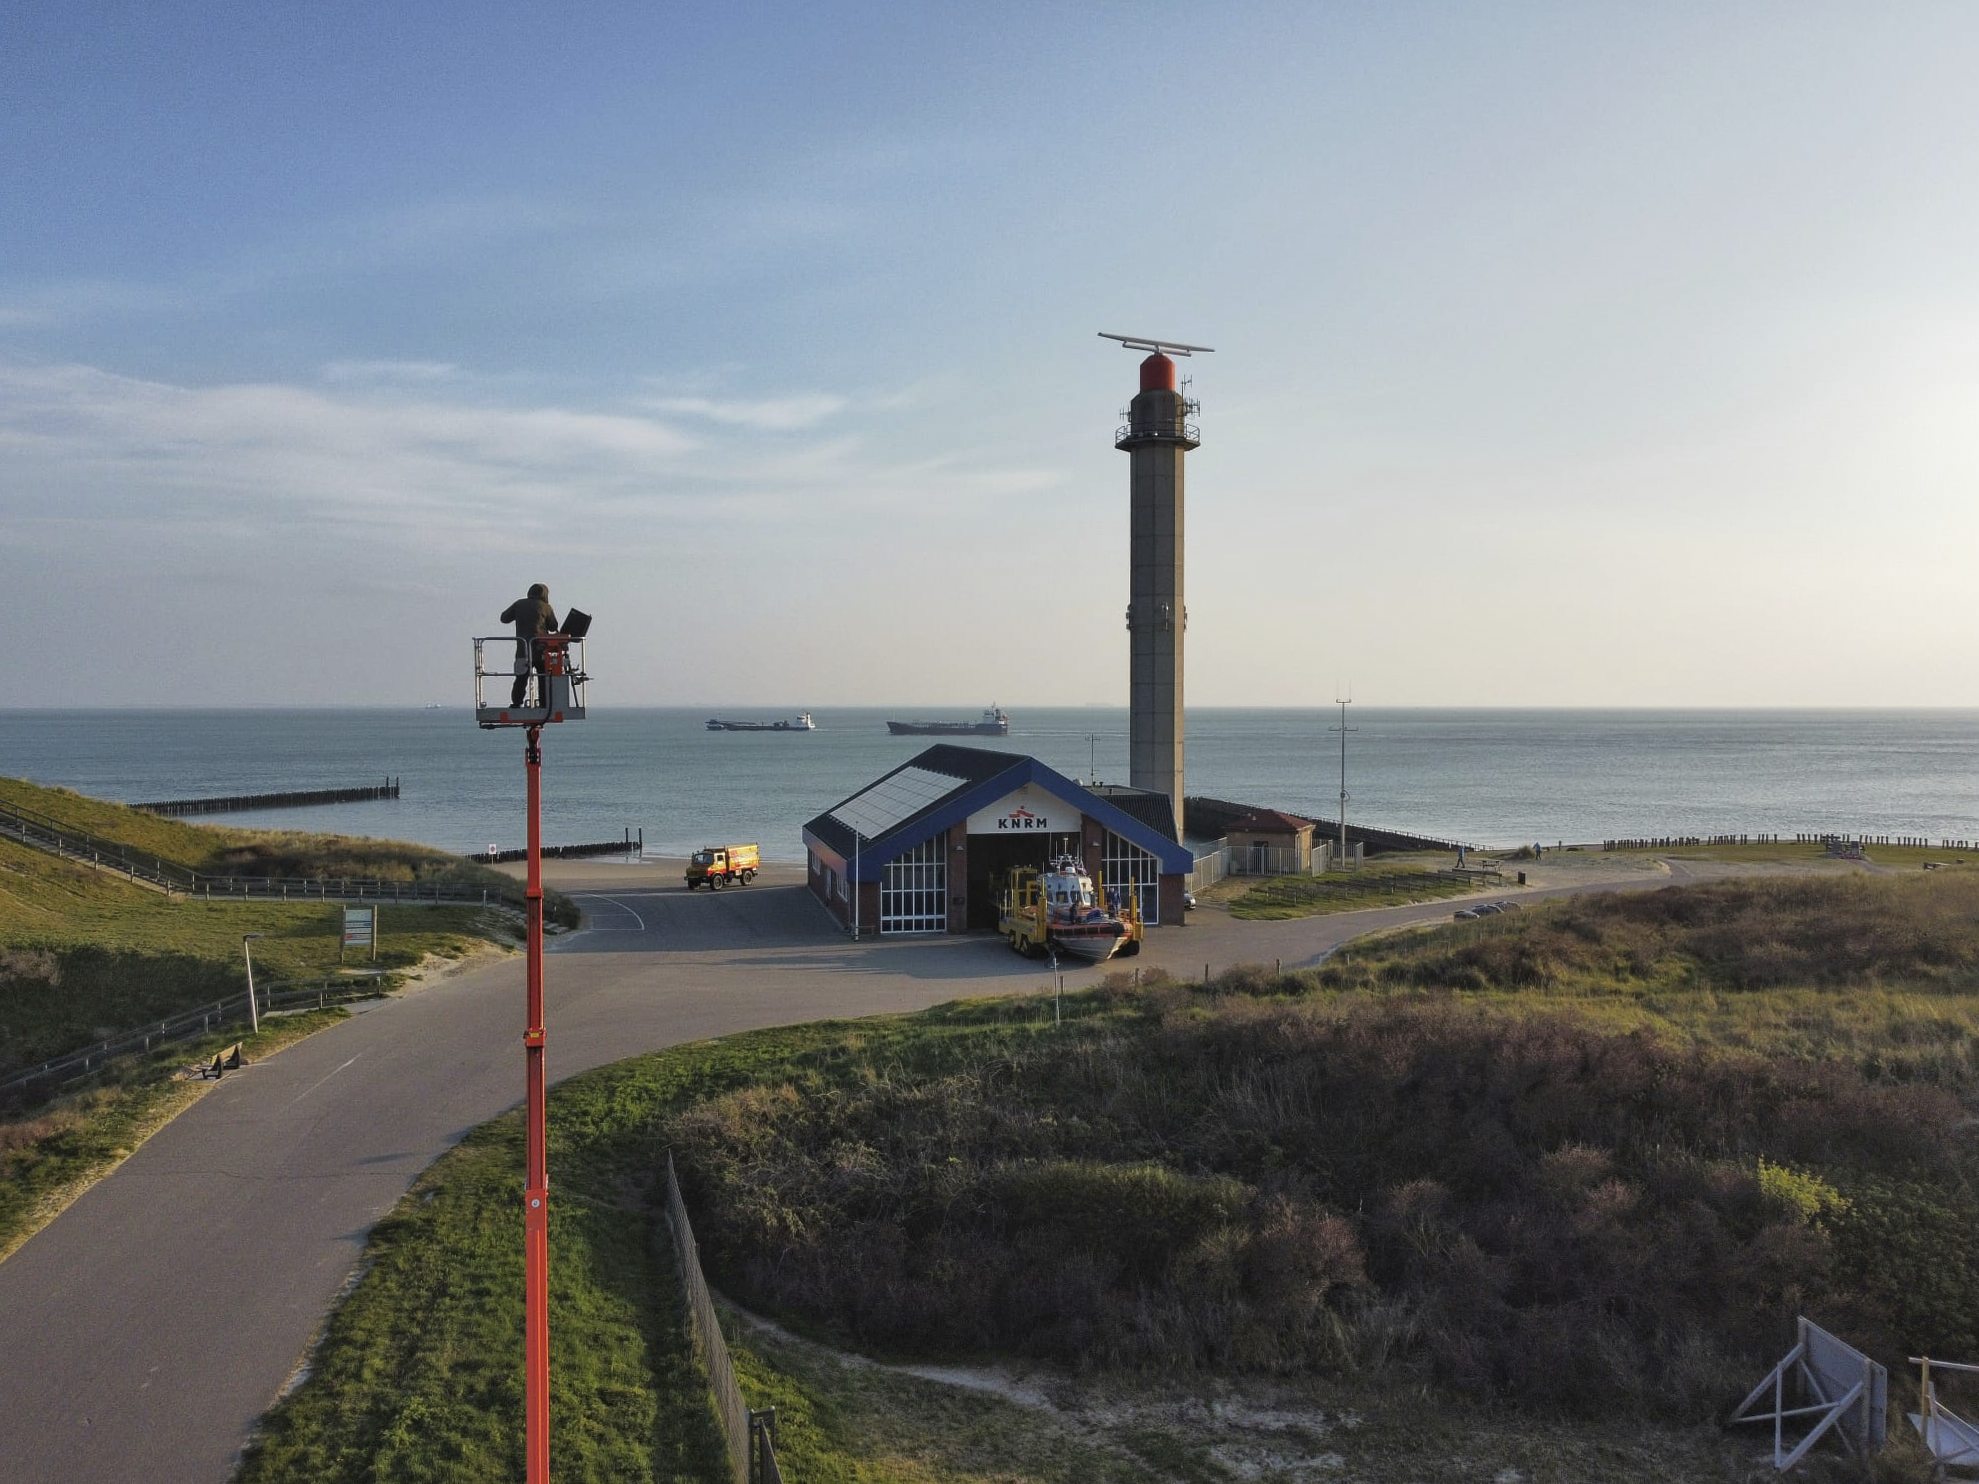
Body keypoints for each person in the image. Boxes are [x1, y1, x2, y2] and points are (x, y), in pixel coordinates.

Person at [501, 583, 559, 706]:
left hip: (522, 649)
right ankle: (544, 703)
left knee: (521, 678)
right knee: (543, 677)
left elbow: (504, 618)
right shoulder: (546, 607)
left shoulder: (519, 604)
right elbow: (554, 626)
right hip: (540, 649)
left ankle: (516, 703)